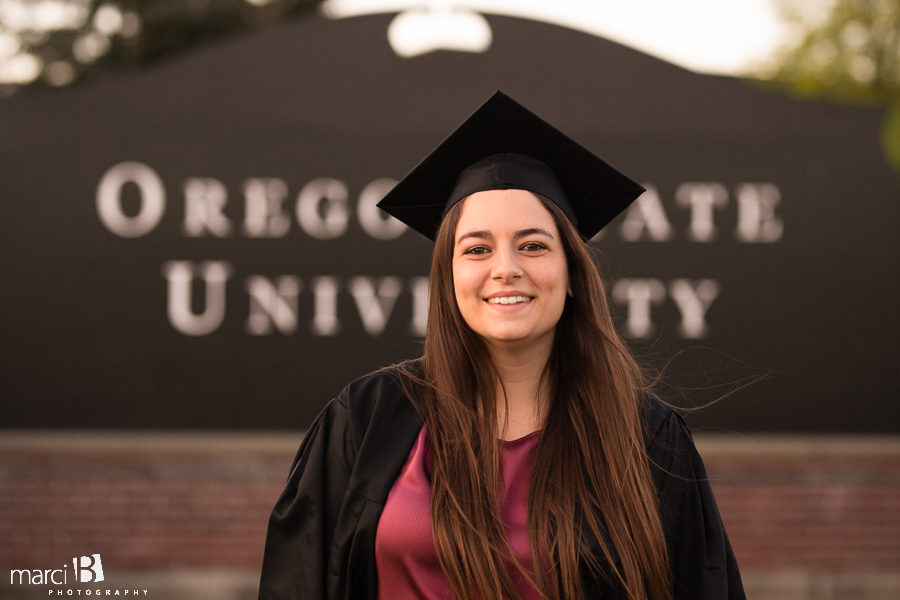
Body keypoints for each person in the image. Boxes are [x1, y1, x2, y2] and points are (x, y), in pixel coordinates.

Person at [258, 91, 745, 600]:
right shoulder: (366, 418)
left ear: (572, 272)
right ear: (449, 276)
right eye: (477, 249)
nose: (506, 267)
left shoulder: (646, 435)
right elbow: (298, 581)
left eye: (534, 245)